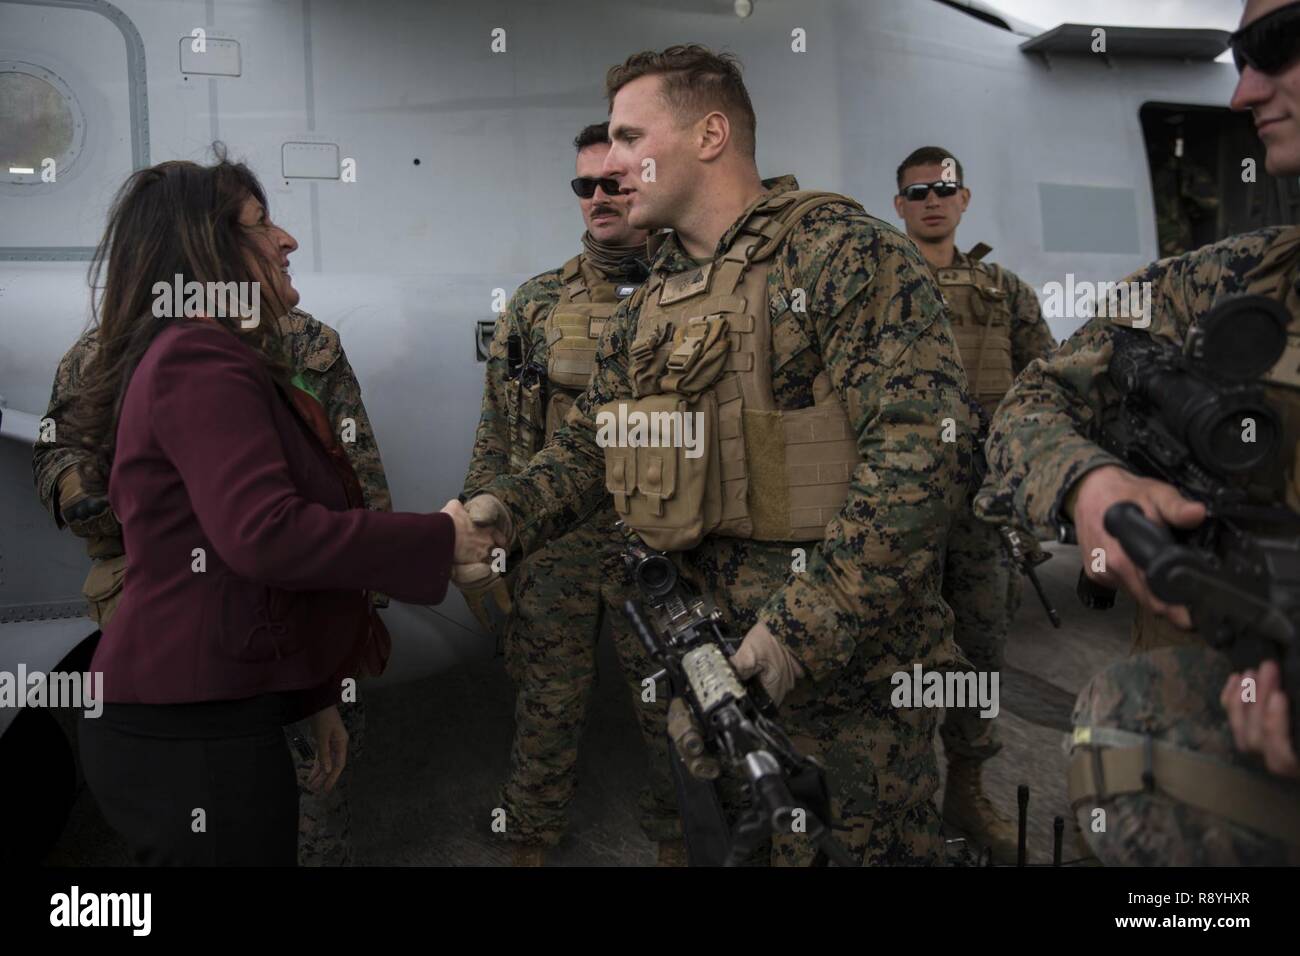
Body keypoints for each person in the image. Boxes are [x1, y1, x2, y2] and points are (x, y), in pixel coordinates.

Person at [462, 45, 976, 866]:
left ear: (709, 135)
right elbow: (599, 444)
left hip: (842, 692)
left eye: (632, 138)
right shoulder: (651, 301)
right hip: (704, 674)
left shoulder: (842, 252)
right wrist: (502, 513)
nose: (615, 162)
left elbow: (922, 463)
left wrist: (796, 638)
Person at [57, 156, 500, 866]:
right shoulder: (198, 359)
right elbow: (266, 536)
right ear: (207, 251)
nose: (287, 239)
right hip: (190, 732)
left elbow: (240, 564)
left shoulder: (199, 353)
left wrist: (309, 697)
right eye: (262, 225)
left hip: (215, 711)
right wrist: (439, 539)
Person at [976, 0, 1300, 865]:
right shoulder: (1222, 283)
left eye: (1274, 46)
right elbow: (1034, 400)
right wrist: (1088, 483)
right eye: (1239, 54)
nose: (1245, 91)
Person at [35, 278, 389, 871]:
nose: (283, 244)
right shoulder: (106, 350)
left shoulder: (306, 343)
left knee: (316, 793)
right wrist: (80, 487)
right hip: (173, 612)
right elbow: (57, 446)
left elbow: (355, 470)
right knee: (194, 808)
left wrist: (362, 604)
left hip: (295, 598)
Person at [458, 122, 681, 865]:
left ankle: (681, 837)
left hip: (661, 536)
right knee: (547, 703)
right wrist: (479, 544)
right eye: (583, 186)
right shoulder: (538, 303)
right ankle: (530, 838)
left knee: (672, 706)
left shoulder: (694, 293)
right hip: (557, 540)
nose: (598, 198)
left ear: (644, 181)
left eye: (613, 183)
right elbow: (499, 431)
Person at [892, 146, 1056, 861]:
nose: (932, 199)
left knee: (979, 655)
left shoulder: (1004, 292)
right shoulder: (878, 287)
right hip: (896, 508)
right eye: (917, 191)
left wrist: (1031, 487)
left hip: (981, 508)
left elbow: (1044, 390)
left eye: (944, 189)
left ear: (965, 199)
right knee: (896, 656)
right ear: (898, 205)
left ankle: (966, 787)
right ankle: (901, 804)